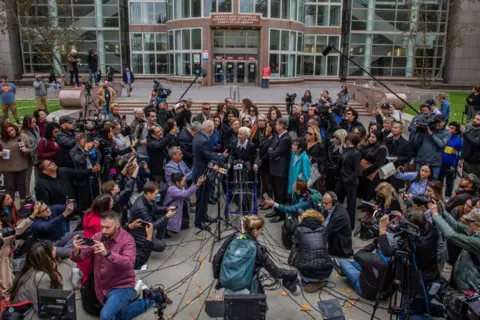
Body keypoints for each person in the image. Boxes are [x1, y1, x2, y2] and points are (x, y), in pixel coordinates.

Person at [72, 211, 168, 319]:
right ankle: (147, 298)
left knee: (106, 315)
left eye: (107, 227)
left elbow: (129, 263)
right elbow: (81, 256)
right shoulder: (98, 237)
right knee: (108, 313)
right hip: (101, 285)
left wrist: (107, 253)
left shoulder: (127, 240)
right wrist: (76, 250)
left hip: (120, 286)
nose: (103, 231)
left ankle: (147, 301)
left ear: (117, 226)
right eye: (102, 227)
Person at [213, 215, 300, 294]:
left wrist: (219, 278)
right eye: (261, 230)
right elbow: (276, 272)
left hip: (226, 283)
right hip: (246, 286)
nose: (261, 233)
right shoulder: (257, 249)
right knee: (261, 305)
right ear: (255, 231)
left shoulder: (233, 238)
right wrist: (293, 273)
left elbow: (217, 259)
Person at [430, 204, 480, 292]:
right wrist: (440, 208)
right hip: (462, 279)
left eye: (470, 221)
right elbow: (455, 225)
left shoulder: (477, 242)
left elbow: (451, 235)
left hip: (469, 287)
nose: (466, 222)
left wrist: (435, 215)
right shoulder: (475, 232)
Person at [8, 240, 63, 320]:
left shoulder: (29, 269)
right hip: (28, 315)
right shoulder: (42, 277)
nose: (55, 248)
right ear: (46, 256)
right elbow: (43, 308)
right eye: (52, 249)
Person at [192, 120, 227, 230]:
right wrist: (222, 156)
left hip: (201, 169)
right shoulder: (203, 140)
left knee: (205, 196)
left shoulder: (199, 136)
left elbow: (207, 153)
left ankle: (204, 216)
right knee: (202, 198)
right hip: (202, 172)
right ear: (211, 130)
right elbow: (209, 155)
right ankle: (199, 221)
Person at [288, 209, 333, 293]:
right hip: (327, 272)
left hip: (308, 273)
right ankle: (319, 281)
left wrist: (298, 224)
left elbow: (295, 242)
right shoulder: (324, 229)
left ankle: (307, 281)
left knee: (295, 247)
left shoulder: (299, 229)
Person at [0, 200, 38, 292]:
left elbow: (17, 230)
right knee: (7, 287)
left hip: (8, 261)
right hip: (3, 264)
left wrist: (33, 215)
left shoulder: (7, 231)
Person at [129, 181, 176, 252]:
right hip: (138, 232)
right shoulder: (141, 208)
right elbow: (151, 226)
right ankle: (140, 245)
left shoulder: (147, 198)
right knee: (161, 246)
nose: (157, 195)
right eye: (155, 194)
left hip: (145, 225)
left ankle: (157, 239)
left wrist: (166, 208)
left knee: (163, 217)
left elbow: (156, 208)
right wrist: (167, 216)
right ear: (148, 193)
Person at [77, 194, 113, 284]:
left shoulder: (88, 214)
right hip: (93, 253)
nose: (112, 204)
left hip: (84, 248)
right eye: (111, 203)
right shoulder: (100, 224)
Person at [35, 159, 100, 206]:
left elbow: (78, 174)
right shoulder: (40, 184)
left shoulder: (63, 171)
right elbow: (44, 202)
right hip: (56, 211)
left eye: (52, 162)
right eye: (49, 165)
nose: (53, 164)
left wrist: (91, 170)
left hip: (72, 205)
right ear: (44, 171)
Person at [266, 118, 292, 223]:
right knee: (276, 193)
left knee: (280, 194)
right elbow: (271, 149)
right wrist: (272, 152)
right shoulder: (277, 136)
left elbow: (274, 153)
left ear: (282, 126)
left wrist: (273, 153)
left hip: (281, 170)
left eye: (277, 124)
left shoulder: (286, 138)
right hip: (274, 168)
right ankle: (276, 210)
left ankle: (281, 214)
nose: (275, 126)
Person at [0, 123, 31, 208]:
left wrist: (26, 150)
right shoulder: (2, 140)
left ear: (15, 128)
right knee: (10, 187)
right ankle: (10, 207)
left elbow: (31, 147)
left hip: (21, 165)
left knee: (22, 185)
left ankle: (23, 206)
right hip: (7, 168)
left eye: (12, 130)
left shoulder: (23, 137)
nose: (11, 132)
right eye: (8, 131)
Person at [335, 132, 362, 229]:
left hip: (350, 182)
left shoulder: (356, 153)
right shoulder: (347, 149)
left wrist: (347, 179)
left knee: (351, 205)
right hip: (341, 179)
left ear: (349, 140)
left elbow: (357, 171)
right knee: (337, 200)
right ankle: (337, 220)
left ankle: (350, 225)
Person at [413, 114, 451, 178]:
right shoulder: (426, 129)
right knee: (417, 180)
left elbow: (441, 145)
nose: (437, 124)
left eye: (440, 122)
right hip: (421, 160)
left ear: (444, 122)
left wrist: (431, 134)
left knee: (433, 184)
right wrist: (419, 131)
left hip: (435, 163)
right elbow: (416, 144)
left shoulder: (447, 133)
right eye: (436, 122)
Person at [322, 192, 353, 257]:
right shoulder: (332, 207)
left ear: (333, 202)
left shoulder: (339, 216)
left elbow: (326, 231)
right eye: (323, 202)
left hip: (340, 245)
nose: (323, 204)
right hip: (334, 235)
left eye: (326, 203)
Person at [359, 130, 387, 202]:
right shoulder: (369, 145)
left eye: (373, 137)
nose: (370, 139)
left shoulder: (382, 148)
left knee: (370, 192)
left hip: (374, 174)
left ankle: (369, 209)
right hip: (366, 172)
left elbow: (377, 164)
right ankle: (365, 204)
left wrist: (364, 172)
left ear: (378, 138)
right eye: (370, 136)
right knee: (364, 190)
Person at [438, 121, 463, 198]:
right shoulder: (444, 136)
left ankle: (447, 196)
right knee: (439, 180)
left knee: (449, 181)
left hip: (450, 165)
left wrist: (454, 165)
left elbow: (458, 156)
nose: (449, 129)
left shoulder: (459, 141)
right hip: (440, 162)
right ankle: (438, 194)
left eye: (452, 128)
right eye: (449, 127)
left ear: (456, 131)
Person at [384, 121, 410, 191]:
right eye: (392, 127)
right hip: (385, 168)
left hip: (396, 169)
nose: (393, 129)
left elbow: (408, 157)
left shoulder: (406, 143)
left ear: (401, 130)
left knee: (394, 190)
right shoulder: (387, 140)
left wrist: (398, 158)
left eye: (396, 128)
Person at [21, 115, 41, 199]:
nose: (34, 124)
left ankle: (38, 192)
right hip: (28, 157)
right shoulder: (23, 133)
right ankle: (27, 194)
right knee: (27, 177)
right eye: (32, 122)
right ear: (27, 123)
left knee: (38, 175)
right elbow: (24, 149)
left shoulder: (36, 128)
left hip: (37, 156)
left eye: (35, 122)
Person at [257, 120, 275, 210]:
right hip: (263, 164)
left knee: (268, 184)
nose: (266, 128)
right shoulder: (267, 136)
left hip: (267, 163)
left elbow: (269, 152)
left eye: (268, 126)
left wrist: (261, 159)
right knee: (264, 184)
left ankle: (269, 201)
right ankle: (265, 199)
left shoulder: (274, 138)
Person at [461, 111, 480, 176]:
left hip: (474, 164)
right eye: (475, 118)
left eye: (478, 119)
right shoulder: (470, 129)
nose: (474, 120)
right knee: (463, 182)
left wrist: (464, 134)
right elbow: (465, 145)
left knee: (471, 183)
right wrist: (461, 158)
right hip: (466, 161)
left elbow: (474, 144)